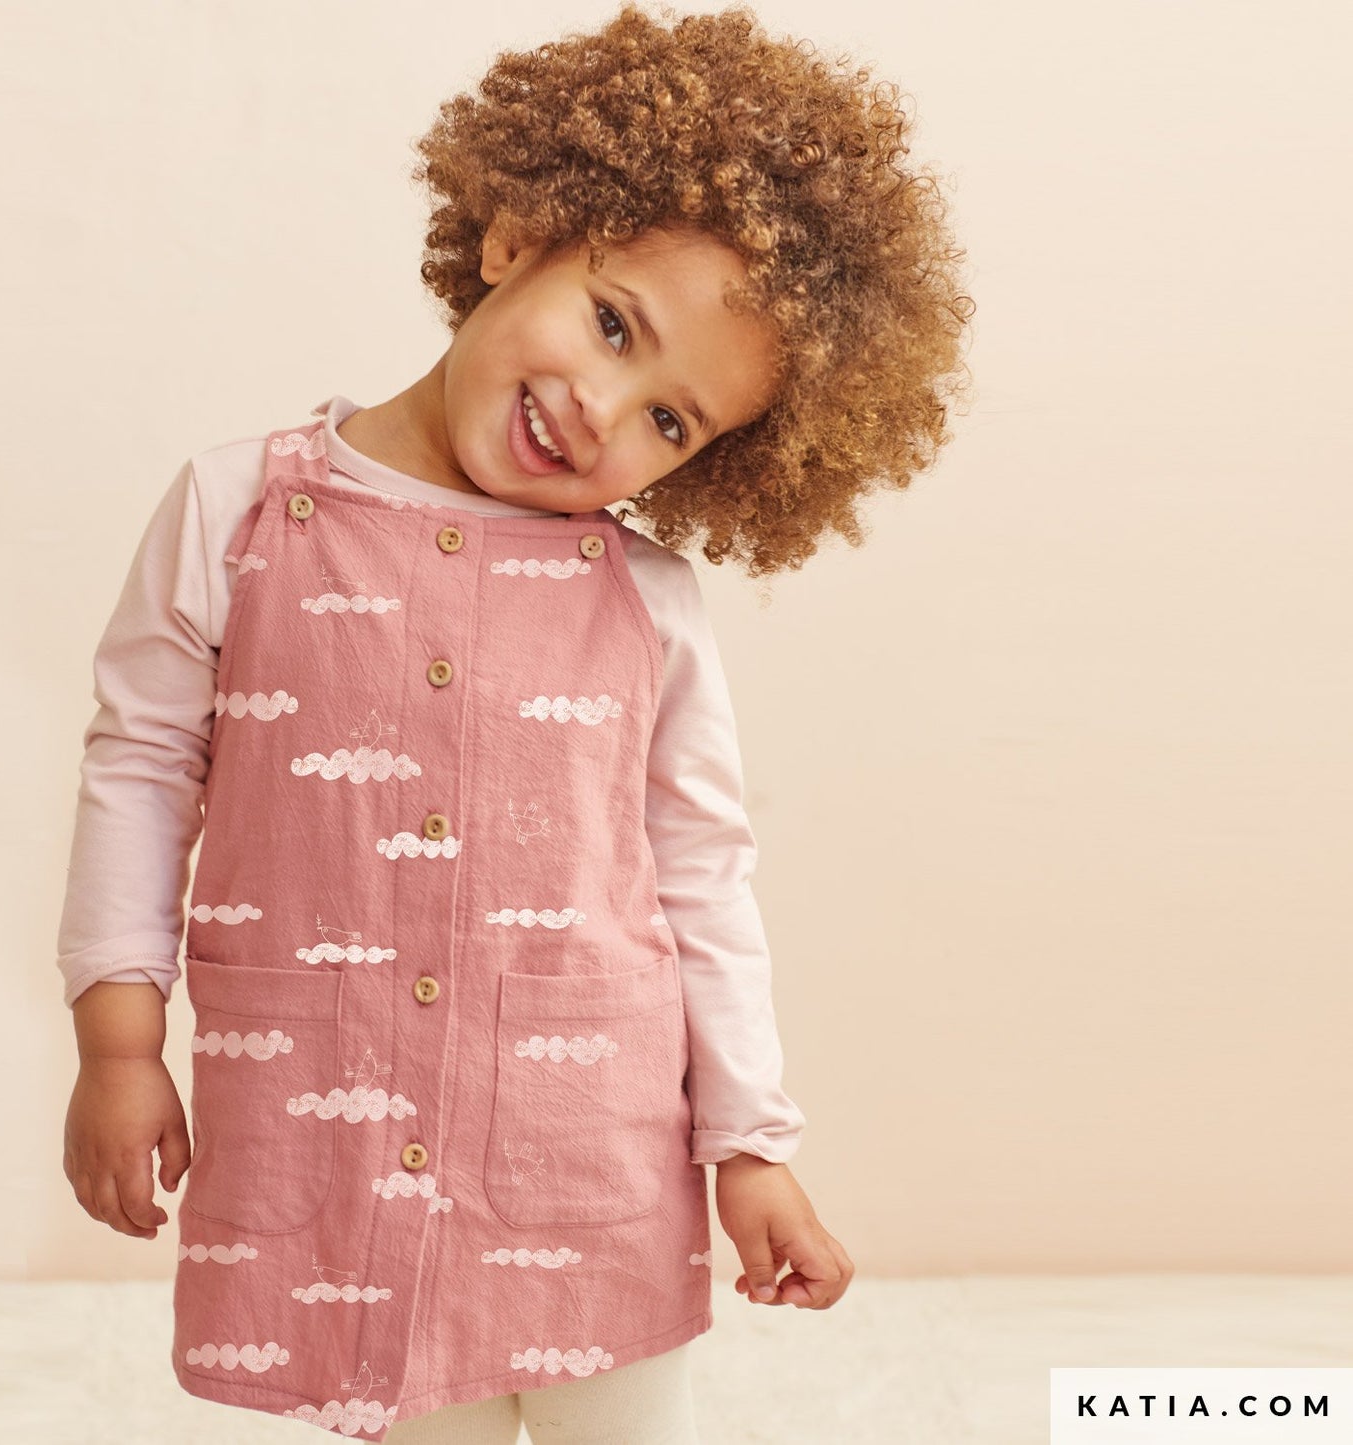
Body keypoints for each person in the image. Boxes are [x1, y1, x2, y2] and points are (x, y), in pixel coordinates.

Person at [57, 4, 972, 1440]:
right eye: (612, 324)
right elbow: (141, 766)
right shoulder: (235, 511)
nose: (603, 409)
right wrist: (119, 1042)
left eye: (670, 422)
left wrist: (749, 1144)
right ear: (514, 235)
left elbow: (700, 876)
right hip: (326, 1125)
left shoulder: (648, 602)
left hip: (584, 1152)